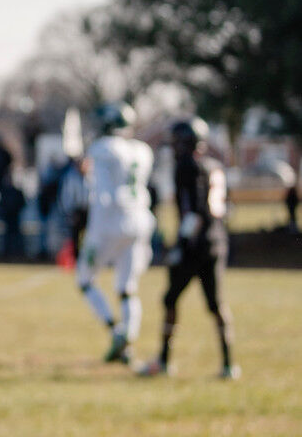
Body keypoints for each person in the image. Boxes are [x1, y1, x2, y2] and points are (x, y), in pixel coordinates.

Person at [139, 118, 239, 379]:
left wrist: (181, 245)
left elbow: (192, 212)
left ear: (186, 143)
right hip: (217, 241)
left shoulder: (187, 167)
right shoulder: (214, 165)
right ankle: (229, 364)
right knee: (217, 305)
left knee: (170, 299)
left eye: (176, 142)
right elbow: (226, 208)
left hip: (196, 243)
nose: (173, 147)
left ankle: (163, 360)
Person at [77, 102, 155, 365]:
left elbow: (102, 193)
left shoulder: (103, 150)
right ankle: (128, 336)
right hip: (139, 221)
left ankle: (116, 332)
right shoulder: (142, 151)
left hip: (108, 223)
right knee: (127, 288)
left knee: (86, 280)